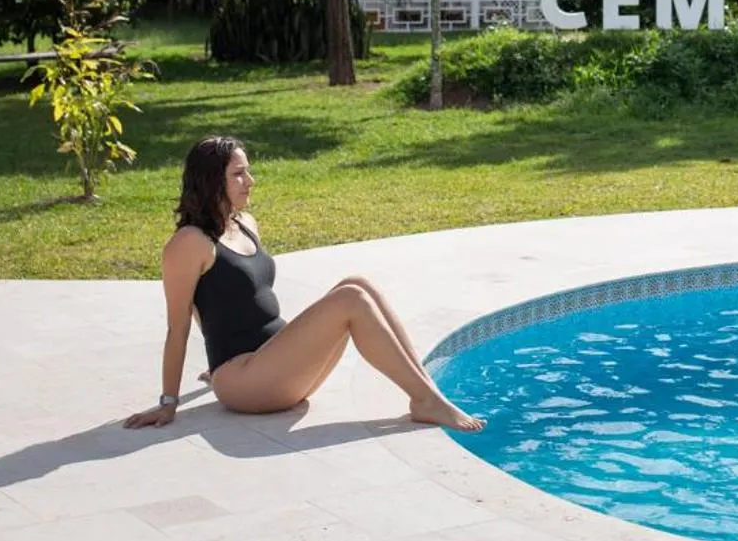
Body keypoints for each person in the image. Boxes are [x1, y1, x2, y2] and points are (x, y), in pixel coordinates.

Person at [124, 135, 483, 432]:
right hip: (245, 381)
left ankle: (429, 392)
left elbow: (217, 299)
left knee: (357, 283)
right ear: (210, 181)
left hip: (276, 365)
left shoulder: (245, 222)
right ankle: (426, 400)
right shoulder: (189, 242)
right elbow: (179, 324)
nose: (250, 181)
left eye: (248, 172)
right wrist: (169, 402)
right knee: (350, 300)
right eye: (238, 174)